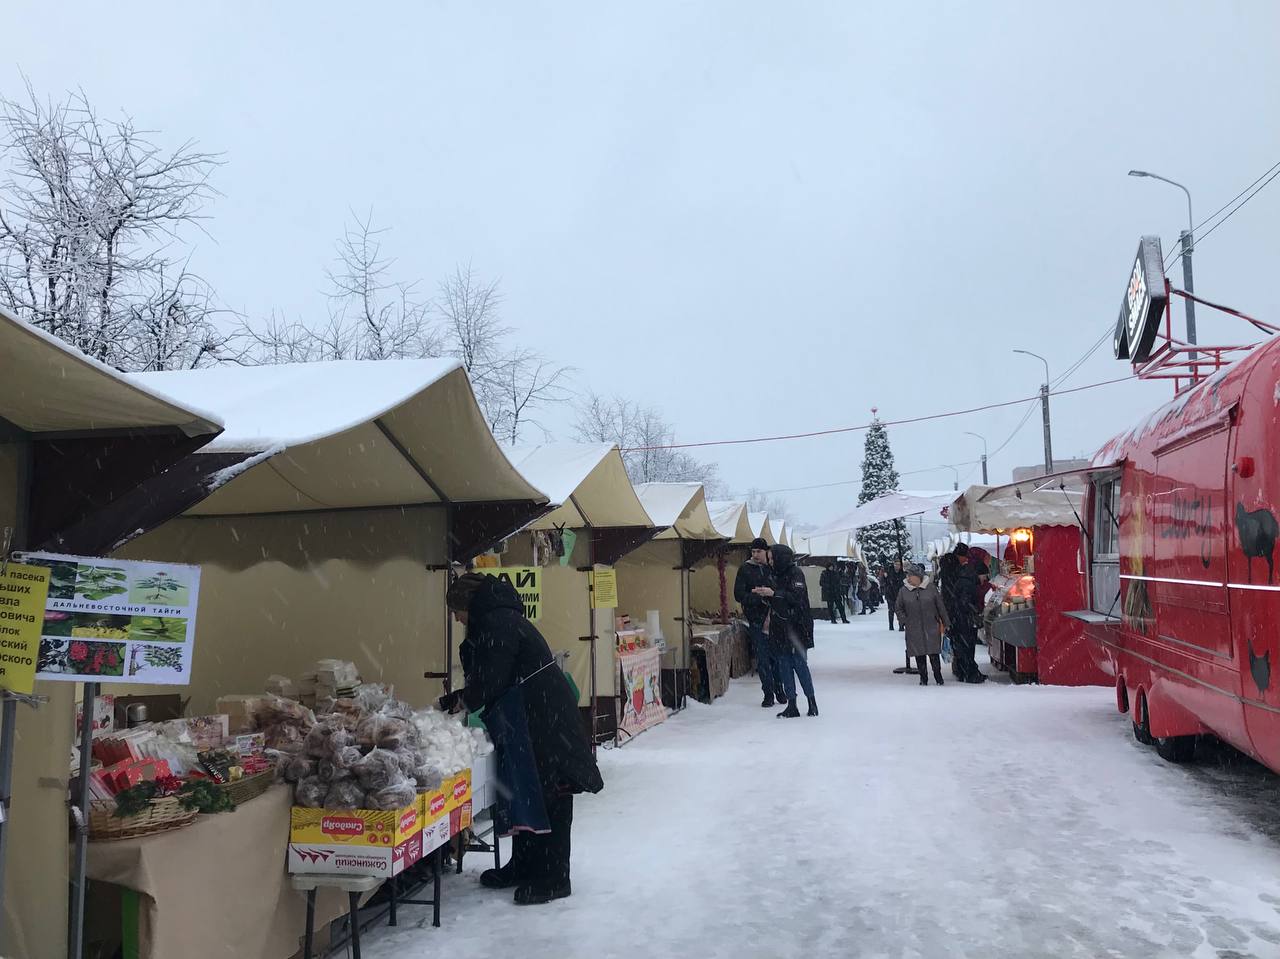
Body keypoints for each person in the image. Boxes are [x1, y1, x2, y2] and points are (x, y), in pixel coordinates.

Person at [439, 573, 604, 905]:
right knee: (526, 793)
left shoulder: (499, 621)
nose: (456, 618)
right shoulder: (497, 618)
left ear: (469, 604)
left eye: (457, 611)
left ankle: (555, 877)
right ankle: (525, 864)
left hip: (544, 718)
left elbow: (491, 677)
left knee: (551, 793)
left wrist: (461, 699)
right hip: (529, 717)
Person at [761, 544, 818, 718]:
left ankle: (811, 702)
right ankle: (792, 703)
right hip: (780, 626)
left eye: (772, 558)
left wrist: (775, 594)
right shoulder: (775, 574)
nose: (770, 562)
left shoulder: (795, 573)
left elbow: (796, 599)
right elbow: (779, 600)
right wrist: (766, 596)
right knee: (784, 665)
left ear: (780, 558)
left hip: (797, 627)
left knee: (799, 665)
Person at [734, 537, 787, 707]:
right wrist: (757, 597)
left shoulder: (773, 568)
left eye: (759, 551)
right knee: (763, 660)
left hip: (776, 619)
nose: (755, 555)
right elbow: (739, 595)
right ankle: (768, 694)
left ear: (766, 552)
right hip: (757, 620)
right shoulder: (745, 569)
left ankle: (780, 690)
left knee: (777, 658)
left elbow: (783, 591)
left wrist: (772, 594)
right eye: (753, 551)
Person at [895, 565, 949, 685]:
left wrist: (946, 622)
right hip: (914, 627)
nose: (908, 578)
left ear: (918, 576)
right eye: (907, 575)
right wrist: (904, 620)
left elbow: (940, 606)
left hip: (931, 626)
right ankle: (923, 678)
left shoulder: (931, 588)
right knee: (919, 653)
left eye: (910, 575)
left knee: (933, 652)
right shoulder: (903, 591)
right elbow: (898, 608)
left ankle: (938, 676)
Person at [949, 544, 987, 683]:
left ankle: (964, 671)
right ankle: (968, 674)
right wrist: (975, 612)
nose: (985, 579)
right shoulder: (968, 583)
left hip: (959, 619)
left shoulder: (964, 578)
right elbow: (965, 602)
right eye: (984, 576)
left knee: (963, 647)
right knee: (967, 647)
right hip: (964, 620)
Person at [883, 558, 906, 632]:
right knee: (891, 610)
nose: (897, 566)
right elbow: (885, 582)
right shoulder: (889, 572)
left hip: (900, 594)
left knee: (900, 610)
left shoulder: (902, 573)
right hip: (890, 594)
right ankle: (891, 625)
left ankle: (901, 625)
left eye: (899, 564)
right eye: (896, 564)